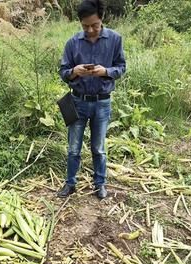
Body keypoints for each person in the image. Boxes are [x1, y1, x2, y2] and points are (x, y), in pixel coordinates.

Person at [57, 0, 126, 199]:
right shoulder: (73, 43)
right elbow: (63, 71)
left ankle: (100, 184)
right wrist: (73, 72)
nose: (90, 30)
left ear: (101, 19)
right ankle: (70, 184)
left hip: (102, 102)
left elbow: (121, 67)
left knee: (98, 147)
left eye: (94, 25)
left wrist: (106, 71)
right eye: (85, 26)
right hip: (77, 101)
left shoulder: (115, 39)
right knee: (73, 148)